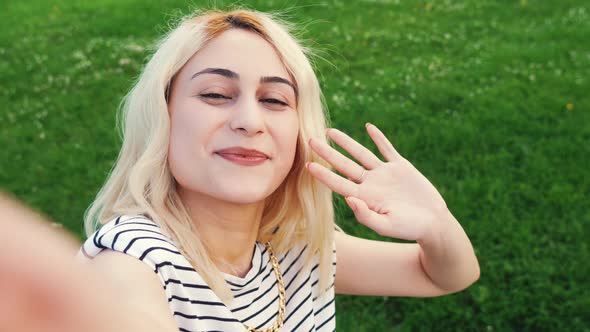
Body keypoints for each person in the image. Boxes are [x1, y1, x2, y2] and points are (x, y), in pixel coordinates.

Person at [1, 8, 479, 332]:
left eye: (274, 100)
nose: (249, 121)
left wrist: (437, 223)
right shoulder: (135, 262)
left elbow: (443, 277)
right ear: (163, 115)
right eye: (214, 95)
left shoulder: (292, 247)